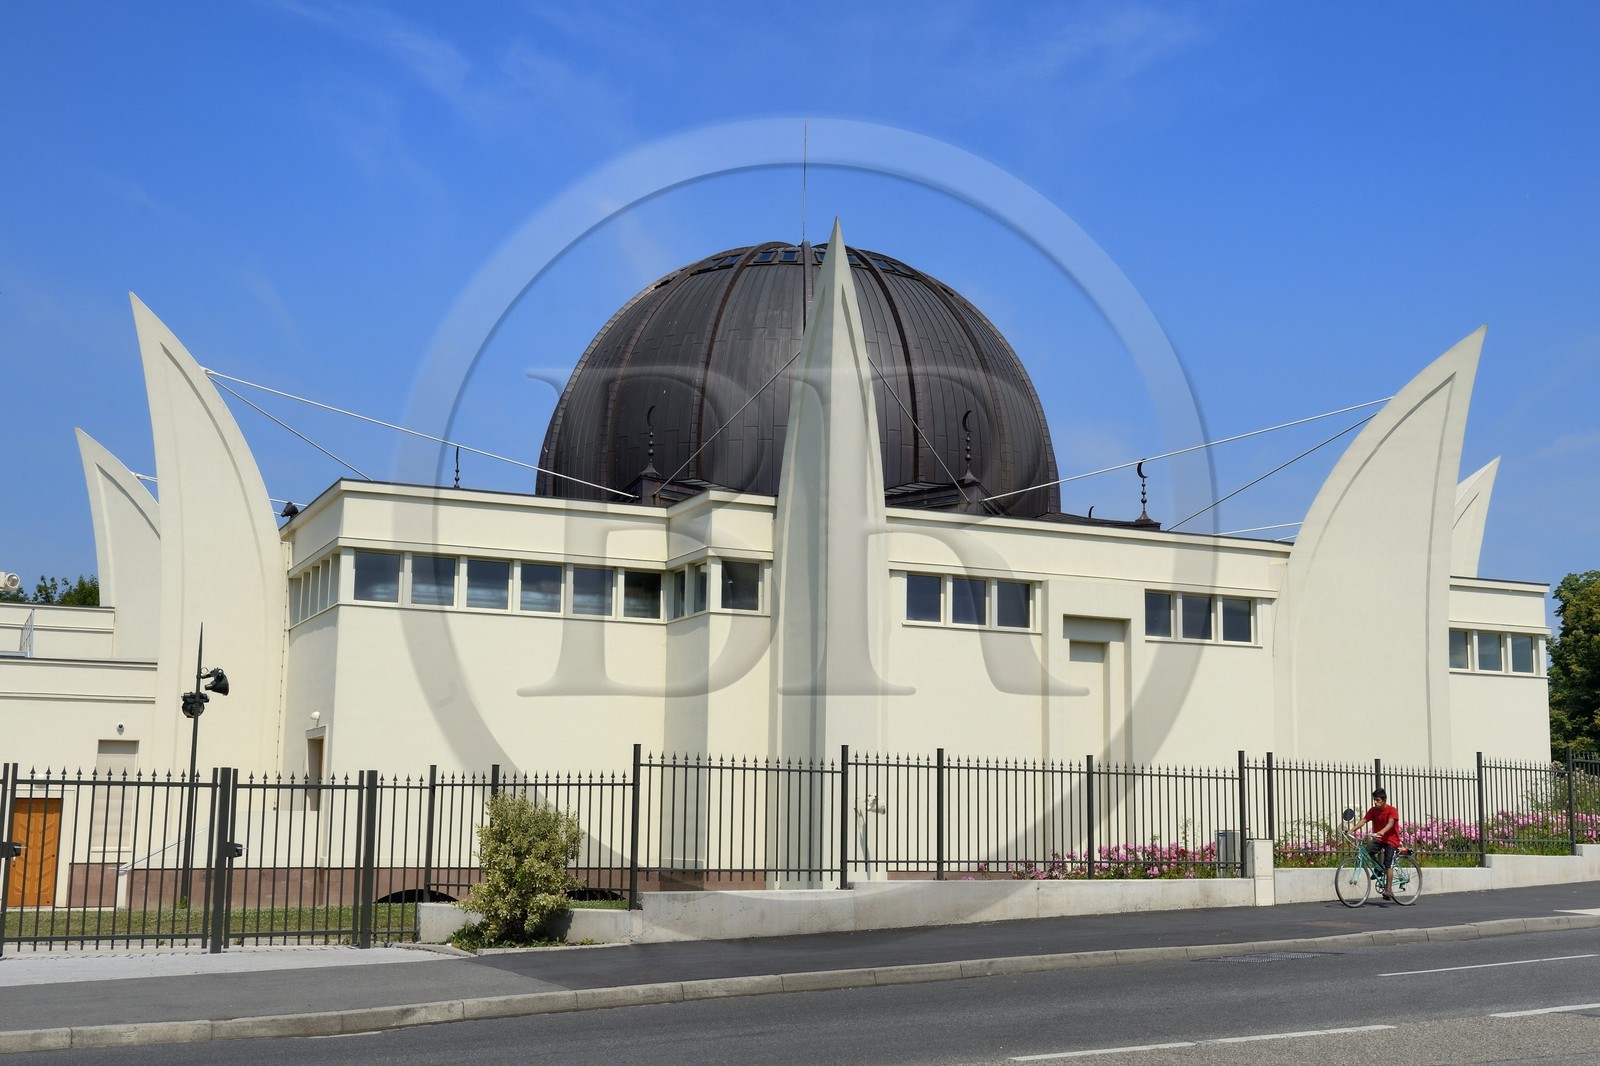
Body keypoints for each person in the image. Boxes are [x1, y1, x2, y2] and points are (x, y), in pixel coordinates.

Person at [1352, 788, 1402, 900]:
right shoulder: (1373, 811)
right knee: (1367, 851)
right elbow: (1364, 820)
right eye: (1374, 800)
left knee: (1388, 863)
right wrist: (1351, 830)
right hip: (1379, 839)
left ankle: (1388, 890)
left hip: (1391, 840)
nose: (1375, 802)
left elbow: (1390, 823)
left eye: (1378, 800)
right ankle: (1379, 869)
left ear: (1384, 800)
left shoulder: (1392, 810)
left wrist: (1382, 831)